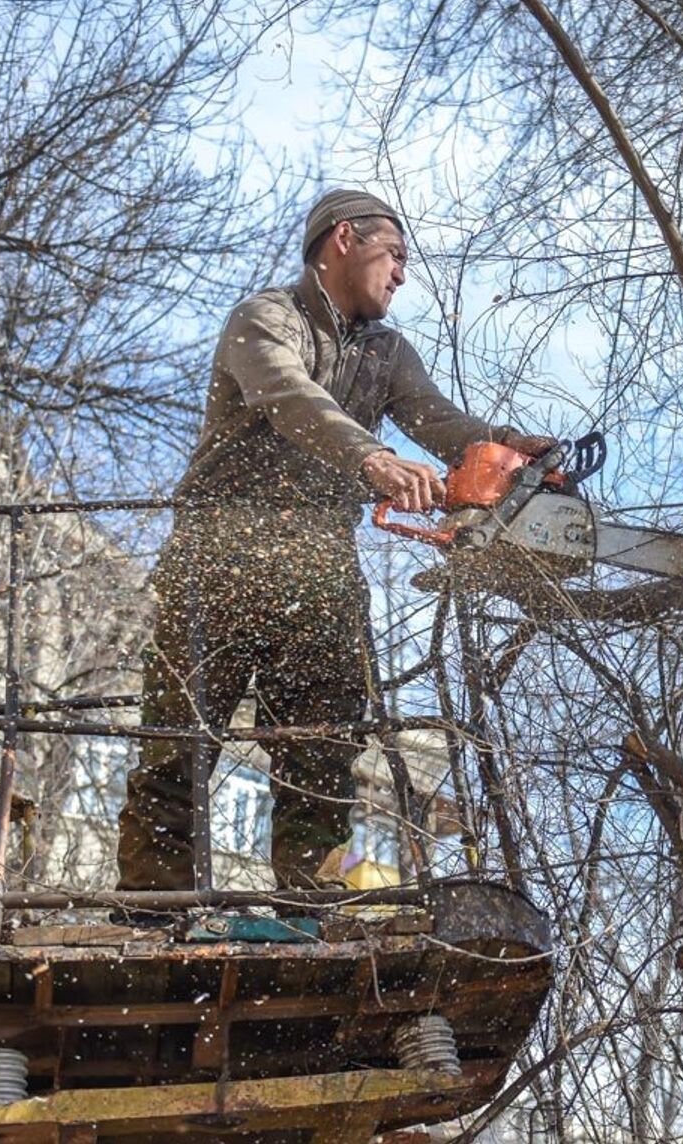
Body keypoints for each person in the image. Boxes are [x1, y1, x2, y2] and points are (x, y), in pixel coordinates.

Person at [116, 188, 551, 892]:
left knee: (323, 755)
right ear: (345, 239)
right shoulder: (266, 319)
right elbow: (291, 397)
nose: (403, 275)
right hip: (220, 555)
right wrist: (370, 458)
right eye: (397, 256)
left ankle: (308, 913)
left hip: (319, 569)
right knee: (179, 751)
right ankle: (154, 917)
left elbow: (434, 418)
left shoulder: (386, 352)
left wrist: (498, 446)